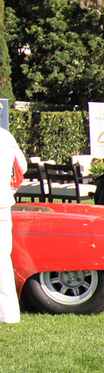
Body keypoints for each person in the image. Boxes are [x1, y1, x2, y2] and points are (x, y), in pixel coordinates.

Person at [0, 124, 27, 324]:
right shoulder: (6, 137)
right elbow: (21, 167)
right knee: (3, 261)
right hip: (3, 203)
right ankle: (9, 314)